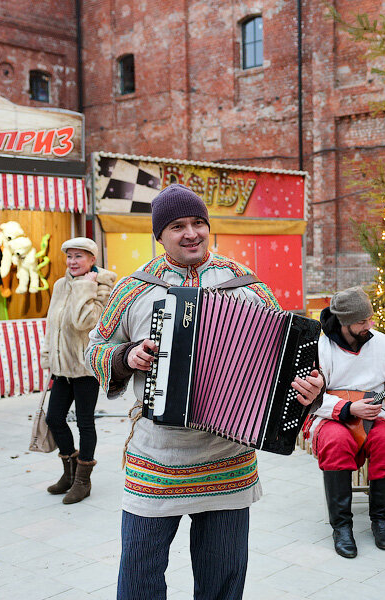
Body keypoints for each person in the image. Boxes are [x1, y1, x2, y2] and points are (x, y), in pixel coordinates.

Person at [85, 183, 324, 600]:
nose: (191, 233)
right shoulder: (134, 289)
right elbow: (94, 350)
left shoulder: (248, 286)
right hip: (157, 459)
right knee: (139, 577)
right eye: (177, 226)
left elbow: (291, 360)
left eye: (198, 223)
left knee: (223, 580)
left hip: (227, 460)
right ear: (159, 236)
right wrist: (127, 357)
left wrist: (310, 388)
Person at [307, 286, 385, 558]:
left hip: (372, 416)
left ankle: (382, 522)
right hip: (332, 416)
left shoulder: (381, 342)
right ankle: (342, 527)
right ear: (344, 321)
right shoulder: (321, 347)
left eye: (370, 318)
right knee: (336, 442)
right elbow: (311, 397)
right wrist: (347, 408)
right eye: (361, 321)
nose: (369, 325)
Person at [40, 237, 117, 504]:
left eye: (79, 257)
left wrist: (85, 287)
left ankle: (83, 480)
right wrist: (48, 356)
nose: (73, 262)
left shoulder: (104, 285)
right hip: (62, 368)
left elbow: (85, 322)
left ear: (92, 260)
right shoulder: (60, 284)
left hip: (85, 367)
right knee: (54, 418)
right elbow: (53, 323)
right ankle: (69, 471)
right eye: (70, 256)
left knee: (85, 422)